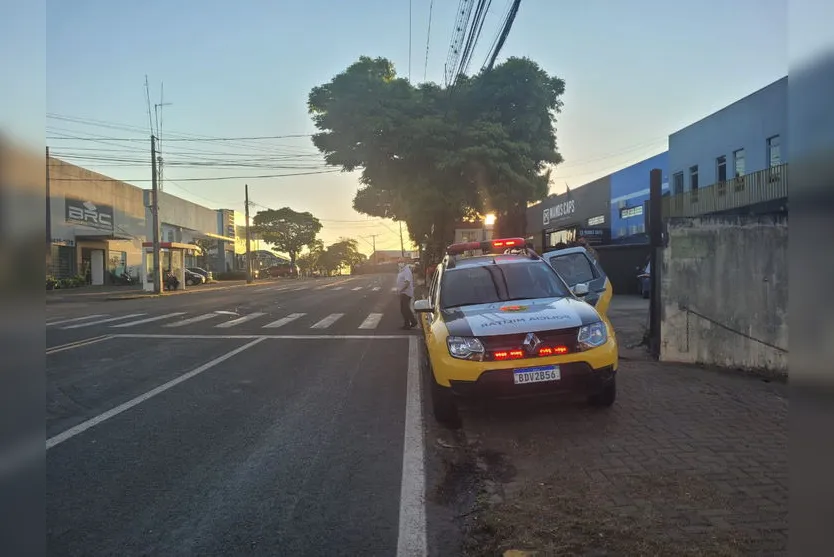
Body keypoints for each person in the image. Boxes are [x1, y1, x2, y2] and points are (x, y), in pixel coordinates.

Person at [396, 258, 417, 329]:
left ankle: (413, 322)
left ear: (405, 262)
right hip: (403, 292)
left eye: (401, 262)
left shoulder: (406, 271)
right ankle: (407, 324)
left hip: (406, 293)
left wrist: (400, 290)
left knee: (405, 309)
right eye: (399, 262)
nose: (400, 263)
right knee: (404, 309)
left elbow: (407, 282)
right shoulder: (402, 270)